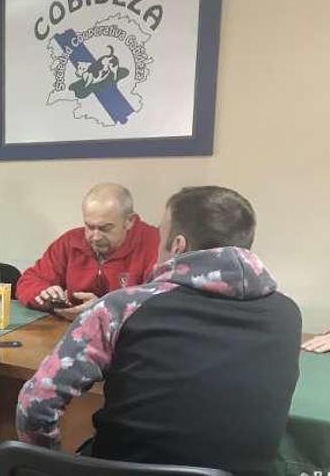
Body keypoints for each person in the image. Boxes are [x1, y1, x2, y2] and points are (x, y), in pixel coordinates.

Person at [16, 186, 301, 475]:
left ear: (177, 245)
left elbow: (35, 403)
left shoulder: (121, 308)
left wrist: (49, 466)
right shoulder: (289, 315)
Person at [17, 183, 159, 320]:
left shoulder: (155, 244)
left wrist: (102, 309)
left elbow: (163, 302)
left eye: (105, 228)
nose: (95, 237)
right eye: (90, 227)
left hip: (129, 338)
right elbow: (29, 281)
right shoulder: (70, 242)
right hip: (71, 332)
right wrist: (44, 295)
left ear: (129, 221)